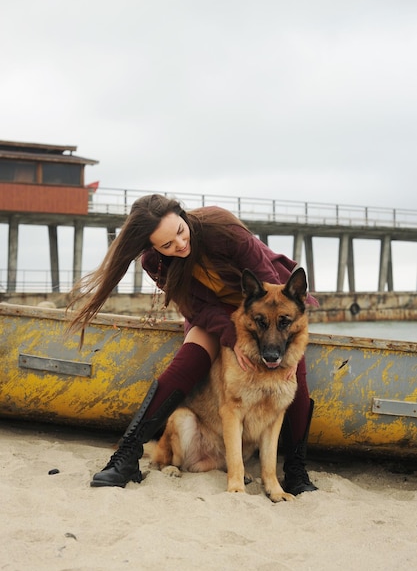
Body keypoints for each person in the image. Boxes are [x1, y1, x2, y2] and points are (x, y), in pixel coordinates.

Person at [69, 194, 319, 495]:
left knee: (294, 374)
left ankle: (296, 470)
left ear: (182, 215)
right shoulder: (154, 262)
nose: (179, 245)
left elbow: (265, 279)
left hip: (266, 303)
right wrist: (232, 336)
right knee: (189, 361)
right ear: (153, 248)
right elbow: (196, 309)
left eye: (179, 232)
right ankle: (127, 455)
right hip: (212, 312)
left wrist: (281, 354)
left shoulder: (221, 226)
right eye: (167, 245)